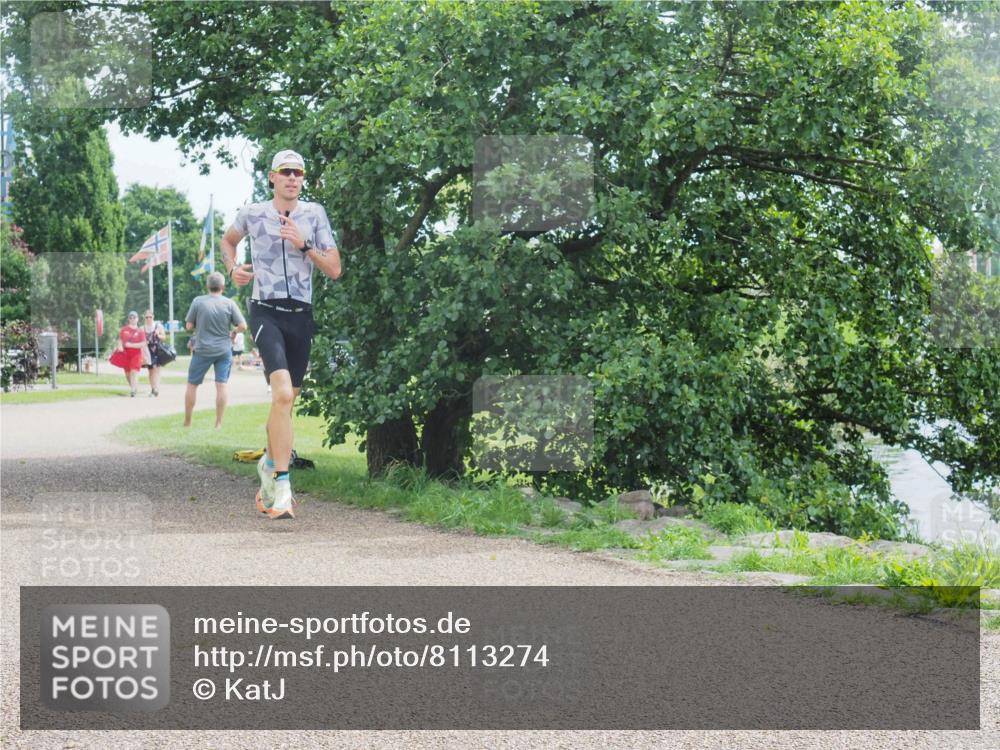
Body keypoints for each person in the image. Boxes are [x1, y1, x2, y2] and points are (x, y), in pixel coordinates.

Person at [222, 148, 342, 520]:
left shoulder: (315, 215)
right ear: (272, 177)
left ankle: (268, 465)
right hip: (266, 310)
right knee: (283, 392)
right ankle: (283, 485)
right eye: (286, 171)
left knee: (286, 403)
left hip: (301, 315)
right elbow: (229, 241)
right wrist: (232, 270)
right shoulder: (253, 213)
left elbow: (335, 269)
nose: (293, 178)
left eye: (299, 173)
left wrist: (303, 244)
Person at [183, 271, 247, 429]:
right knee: (221, 385)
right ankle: (218, 423)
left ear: (207, 286)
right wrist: (233, 332)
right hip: (223, 350)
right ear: (223, 287)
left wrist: (198, 327)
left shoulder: (198, 301)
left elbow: (189, 326)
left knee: (192, 385)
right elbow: (243, 326)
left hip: (202, 349)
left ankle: (188, 421)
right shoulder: (229, 303)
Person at [116, 311, 147, 397]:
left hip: (136, 354)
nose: (132, 319)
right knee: (127, 374)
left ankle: (133, 390)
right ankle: (134, 387)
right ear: (128, 319)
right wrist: (120, 347)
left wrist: (131, 345)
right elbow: (120, 340)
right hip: (126, 354)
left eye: (134, 317)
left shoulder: (140, 331)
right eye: (131, 317)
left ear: (137, 319)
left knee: (134, 372)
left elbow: (143, 343)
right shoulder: (124, 329)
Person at [142, 310, 167, 396]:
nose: (149, 319)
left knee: (156, 370)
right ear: (144, 318)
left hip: (157, 349)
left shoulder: (158, 326)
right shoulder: (142, 328)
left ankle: (156, 389)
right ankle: (153, 388)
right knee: (150, 371)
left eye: (150, 317)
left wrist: (158, 334)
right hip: (148, 351)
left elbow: (164, 337)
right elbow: (140, 340)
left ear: (153, 317)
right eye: (147, 317)